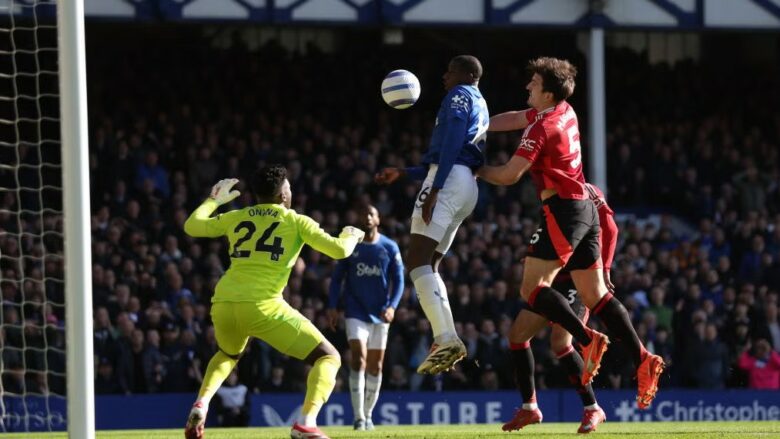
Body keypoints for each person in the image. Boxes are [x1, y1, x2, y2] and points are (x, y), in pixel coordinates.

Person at [479, 57, 663, 411]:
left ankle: (587, 339)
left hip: (563, 211)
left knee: (531, 289)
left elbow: (508, 175)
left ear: (547, 93)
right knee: (596, 295)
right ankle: (643, 357)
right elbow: (517, 116)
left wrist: (474, 168)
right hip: (584, 208)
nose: (527, 87)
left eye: (533, 83)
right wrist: (478, 125)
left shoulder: (541, 128)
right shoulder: (563, 110)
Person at [182, 165, 366, 439]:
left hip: (223, 301)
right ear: (282, 195)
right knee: (328, 357)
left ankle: (201, 403)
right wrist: (352, 234)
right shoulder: (295, 221)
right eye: (289, 187)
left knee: (228, 354)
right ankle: (306, 423)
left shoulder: (237, 216)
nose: (291, 191)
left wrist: (214, 201)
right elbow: (339, 251)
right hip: (263, 305)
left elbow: (191, 226)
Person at [375, 55, 489, 374]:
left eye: (450, 70)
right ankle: (446, 337)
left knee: (416, 261)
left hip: (448, 180)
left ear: (466, 74)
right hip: (467, 185)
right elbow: (459, 150)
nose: (444, 76)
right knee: (432, 263)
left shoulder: (458, 95)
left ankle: (445, 336)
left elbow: (452, 143)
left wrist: (435, 186)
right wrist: (404, 171)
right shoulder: (480, 102)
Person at [503, 183, 615, 434]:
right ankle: (529, 407)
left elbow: (610, 227)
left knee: (560, 342)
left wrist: (604, 269)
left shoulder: (589, 192)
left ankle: (592, 408)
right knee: (517, 336)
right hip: (552, 279)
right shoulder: (550, 190)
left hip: (578, 278)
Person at [327, 204, 404, 431]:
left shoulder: (389, 246)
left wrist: (392, 307)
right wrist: (332, 307)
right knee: (358, 358)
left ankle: (368, 415)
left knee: (376, 366)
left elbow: (399, 280)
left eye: (371, 214)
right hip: (355, 311)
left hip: (380, 313)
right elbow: (336, 279)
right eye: (363, 214)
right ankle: (359, 417)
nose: (367, 217)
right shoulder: (351, 246)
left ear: (378, 219)